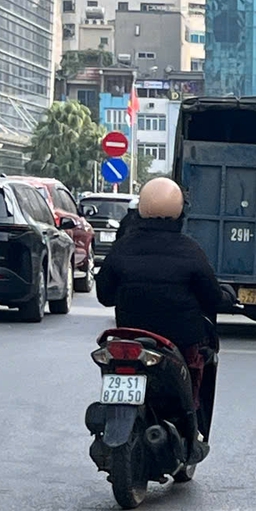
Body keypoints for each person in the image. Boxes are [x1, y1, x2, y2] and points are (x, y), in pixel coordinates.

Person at [94, 177, 224, 448]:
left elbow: (104, 296)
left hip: (127, 338)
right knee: (201, 366)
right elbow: (211, 299)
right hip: (180, 344)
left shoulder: (122, 247)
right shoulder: (190, 250)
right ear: (179, 211)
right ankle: (194, 432)